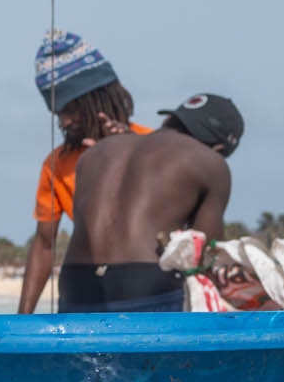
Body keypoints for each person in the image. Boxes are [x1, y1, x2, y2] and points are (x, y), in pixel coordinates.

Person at [60, 94, 244, 313]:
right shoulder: (209, 162)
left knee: (84, 349)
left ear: (170, 120)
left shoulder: (96, 151)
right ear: (220, 148)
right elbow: (205, 256)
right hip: (146, 282)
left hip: (76, 281)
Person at [16, 31, 149, 313]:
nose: (64, 121)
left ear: (99, 97)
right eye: (58, 112)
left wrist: (121, 151)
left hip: (145, 287)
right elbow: (43, 243)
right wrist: (21, 320)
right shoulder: (57, 164)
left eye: (71, 108)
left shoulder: (154, 147)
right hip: (81, 290)